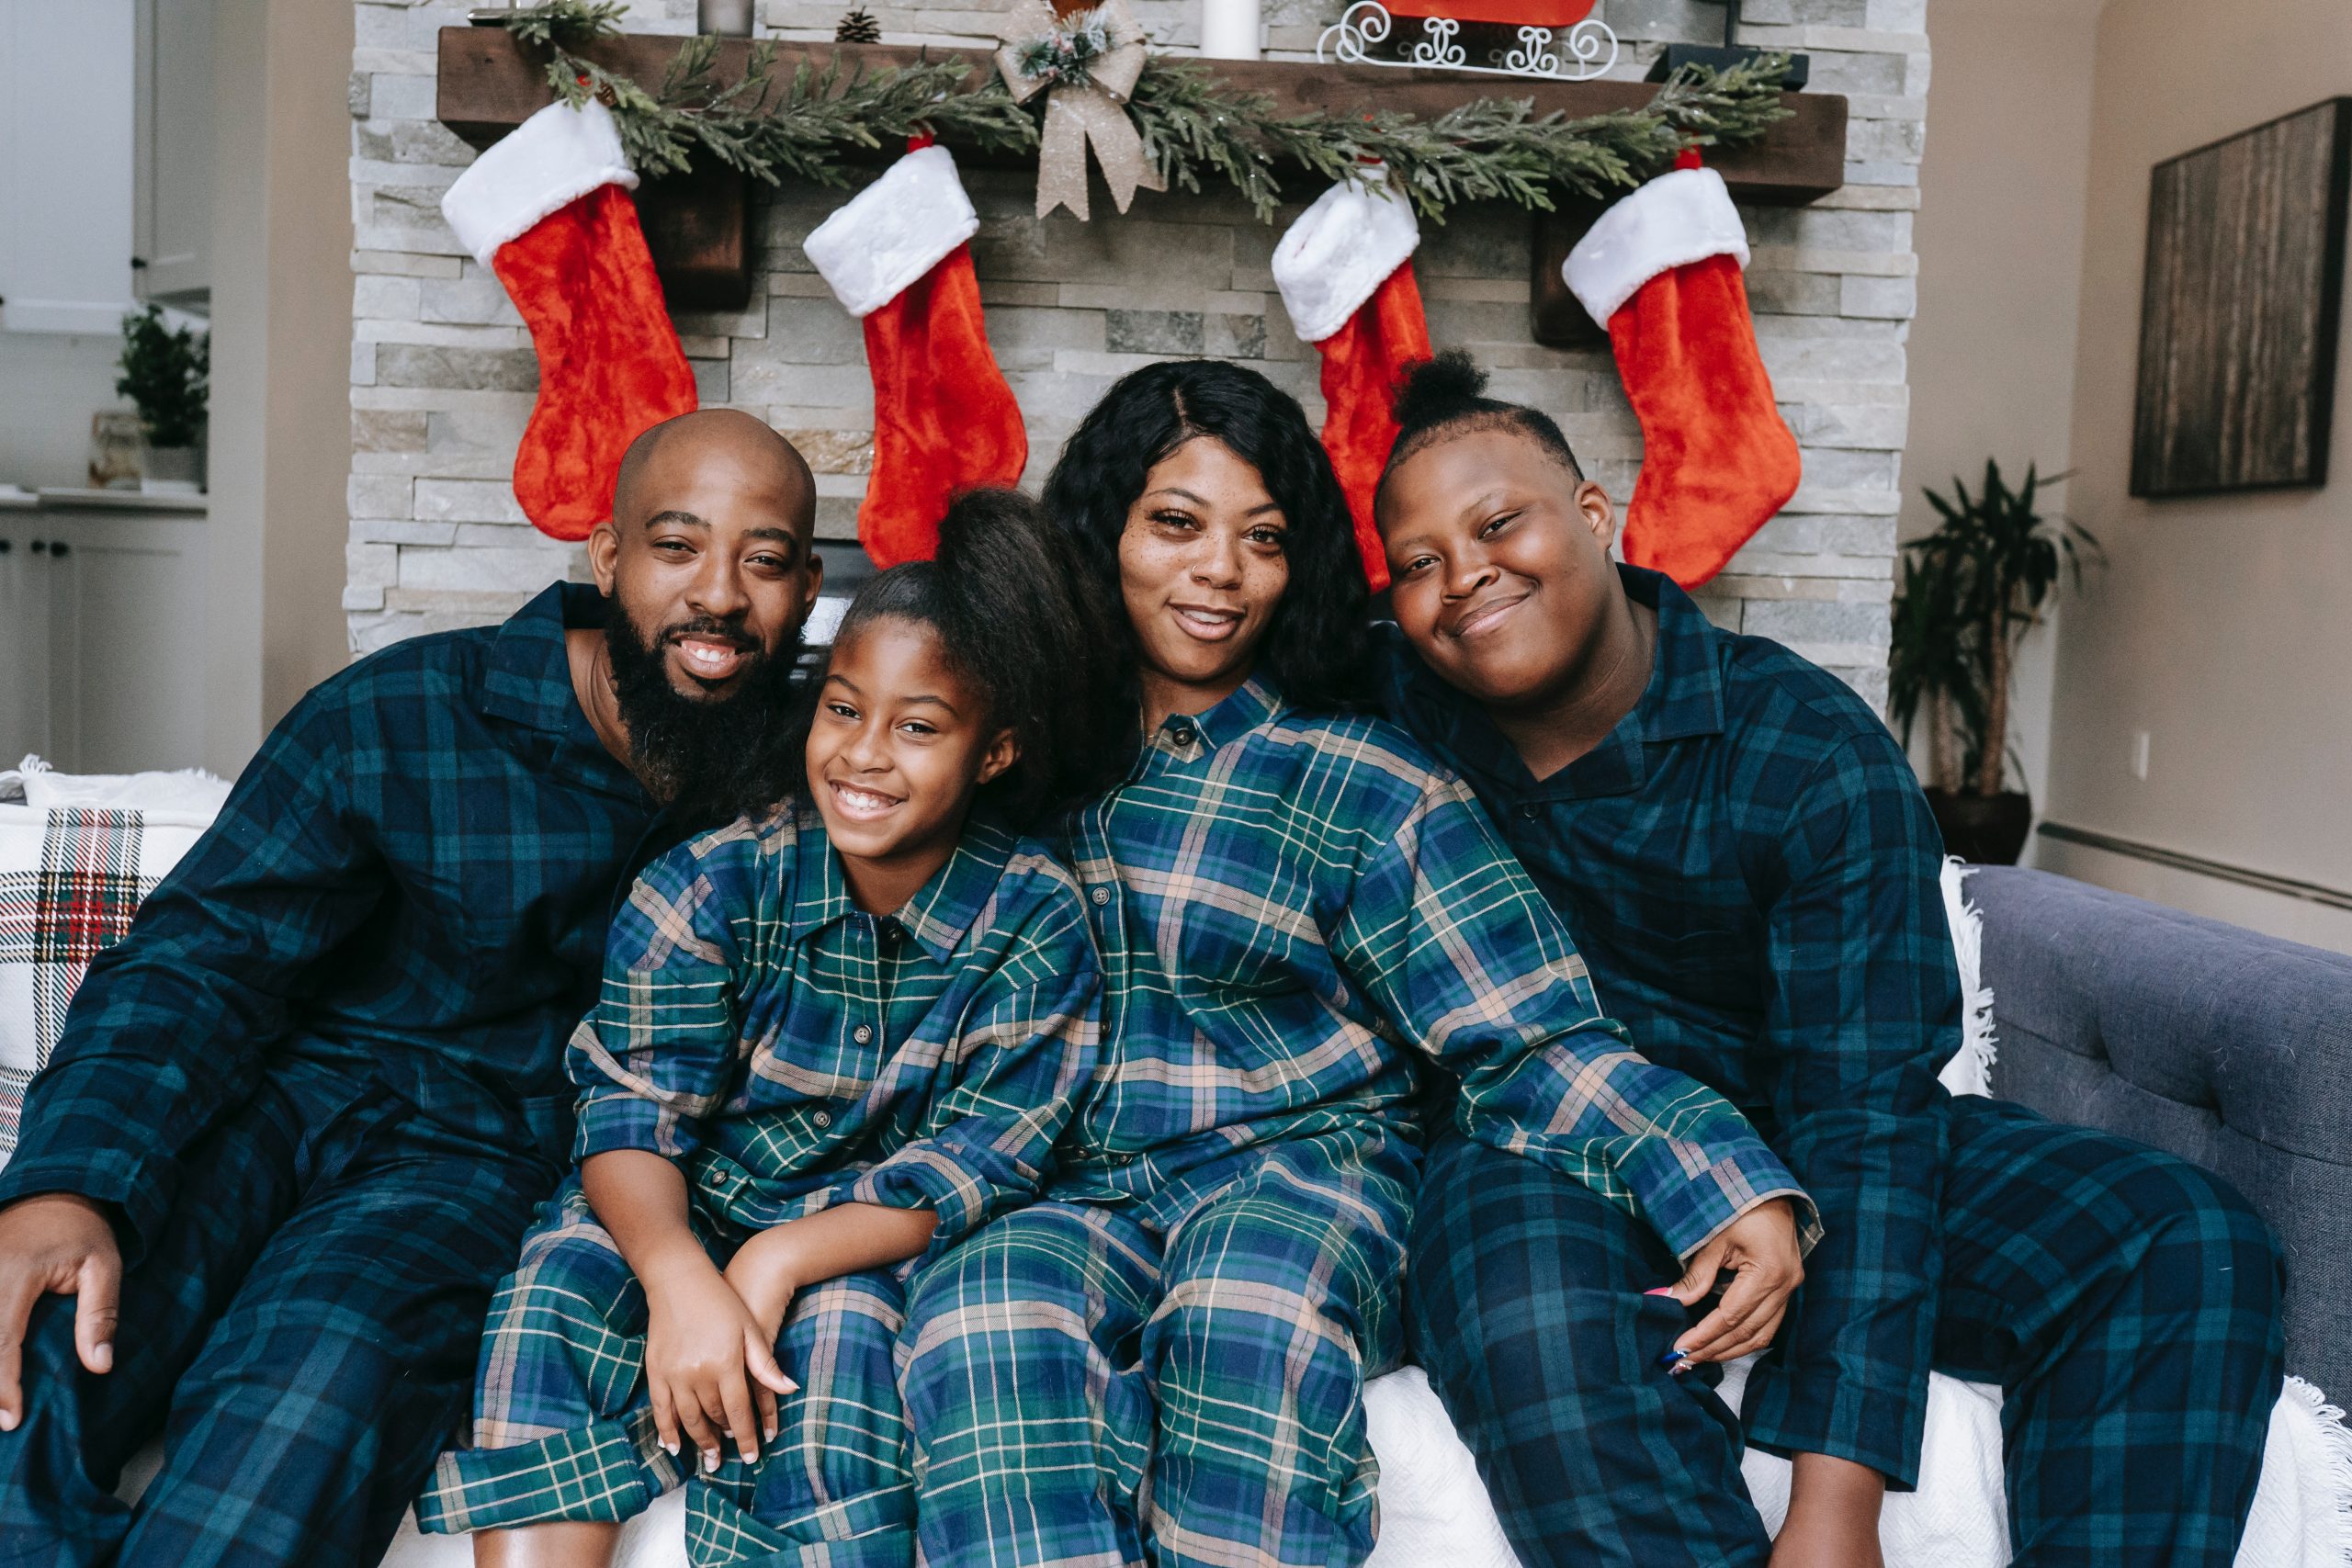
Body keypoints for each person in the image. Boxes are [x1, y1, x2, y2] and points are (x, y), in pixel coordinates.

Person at [1372, 352, 2287, 1568]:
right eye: (1418, 562)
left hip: (1814, 1130)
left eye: (1497, 523)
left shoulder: (1803, 746)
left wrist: (1835, 1497)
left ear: (1594, 515)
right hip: (1545, 1151)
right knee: (1524, 1311)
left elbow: (1864, 1109)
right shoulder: (1393, 709)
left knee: (2182, 1233)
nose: (1462, 576)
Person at [896, 360, 1815, 1568]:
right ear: (1101, 533)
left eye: (1262, 537)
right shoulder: (1021, 758)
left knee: (1248, 1306)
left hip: (1307, 1175)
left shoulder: (1362, 777)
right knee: (981, 1308)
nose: (1218, 570)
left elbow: (1527, 1034)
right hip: (1075, 1186)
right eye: (1175, 523)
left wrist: (1724, 1178)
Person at [0, 408, 826, 1566]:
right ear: (607, 559)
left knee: (282, 1449)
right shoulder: (404, 710)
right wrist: (68, 1186)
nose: (721, 595)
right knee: (29, 1366)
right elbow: (199, 960)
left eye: (766, 560)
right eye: (677, 546)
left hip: (470, 1170)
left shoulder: (829, 768)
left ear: (807, 586)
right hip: (273, 1106)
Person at [418, 490, 1111, 1568]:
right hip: (674, 1203)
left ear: (993, 754)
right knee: (556, 1288)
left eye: (918, 727)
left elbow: (981, 1164)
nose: (864, 755)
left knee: (836, 1364)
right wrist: (682, 1276)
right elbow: (629, 1114)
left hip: (863, 1235)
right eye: (843, 709)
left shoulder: (1035, 913)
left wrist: (781, 1259)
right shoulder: (713, 881)